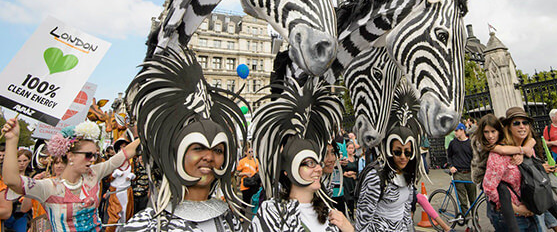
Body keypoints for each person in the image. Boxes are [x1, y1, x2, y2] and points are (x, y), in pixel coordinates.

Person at [123, 47, 248, 231]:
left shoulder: (230, 221)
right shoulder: (148, 225)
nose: (209, 157)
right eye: (198, 148)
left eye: (218, 150)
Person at [251, 79, 353, 232]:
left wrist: (348, 229)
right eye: (309, 163)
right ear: (288, 169)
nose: (319, 168)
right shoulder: (271, 211)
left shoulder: (330, 213)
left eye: (318, 162)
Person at [2, 119, 140, 232]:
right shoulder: (49, 187)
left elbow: (126, 152)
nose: (92, 159)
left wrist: (149, 128)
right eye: (88, 155)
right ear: (70, 156)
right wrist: (12, 140)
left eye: (95, 155)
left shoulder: (93, 173)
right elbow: (11, 180)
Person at [355, 85, 455, 231]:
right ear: (390, 150)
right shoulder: (375, 177)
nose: (403, 157)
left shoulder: (407, 173)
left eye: (407, 153)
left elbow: (406, 212)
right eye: (397, 152)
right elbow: (363, 223)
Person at [483, 108, 541, 231]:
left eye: (525, 123)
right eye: (516, 123)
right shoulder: (497, 151)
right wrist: (516, 208)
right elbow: (489, 188)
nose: (522, 126)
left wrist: (524, 150)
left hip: (532, 210)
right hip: (510, 214)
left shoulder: (528, 147)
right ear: (508, 127)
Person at [446, 123, 476, 215]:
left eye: (456, 130)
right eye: (454, 131)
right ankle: (466, 219)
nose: (455, 133)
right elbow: (449, 156)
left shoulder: (470, 143)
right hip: (458, 173)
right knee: (462, 200)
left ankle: (475, 218)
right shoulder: (453, 143)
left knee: (473, 199)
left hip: (469, 173)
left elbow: (475, 157)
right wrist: (451, 166)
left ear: (462, 130)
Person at [342, 141, 358, 220]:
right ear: (347, 149)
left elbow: (358, 170)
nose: (351, 150)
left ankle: (352, 214)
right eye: (349, 148)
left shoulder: (356, 159)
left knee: (353, 198)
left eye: (352, 148)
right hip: (346, 181)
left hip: (353, 181)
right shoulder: (344, 159)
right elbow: (342, 171)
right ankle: (348, 213)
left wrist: (354, 174)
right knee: (347, 197)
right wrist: (347, 173)